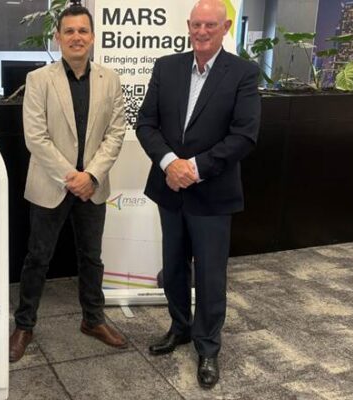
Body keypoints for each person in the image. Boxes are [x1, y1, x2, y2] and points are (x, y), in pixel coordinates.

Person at [136, 0, 261, 389]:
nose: (202, 32)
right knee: (173, 266)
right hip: (170, 188)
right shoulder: (166, 67)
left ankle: (208, 347)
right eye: (196, 25)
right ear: (188, 26)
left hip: (212, 192)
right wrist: (170, 163)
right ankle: (180, 327)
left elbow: (244, 135)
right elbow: (145, 124)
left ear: (226, 28)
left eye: (211, 25)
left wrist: (193, 167)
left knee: (209, 274)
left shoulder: (243, 73)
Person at [9, 4, 127, 363]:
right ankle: (24, 325)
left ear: (92, 37)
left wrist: (91, 176)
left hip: (93, 186)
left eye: (83, 31)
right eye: (70, 31)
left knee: (92, 258)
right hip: (51, 184)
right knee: (37, 258)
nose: (77, 37)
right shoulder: (39, 79)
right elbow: (36, 137)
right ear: (58, 38)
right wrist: (71, 176)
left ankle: (93, 320)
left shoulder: (110, 80)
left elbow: (116, 133)